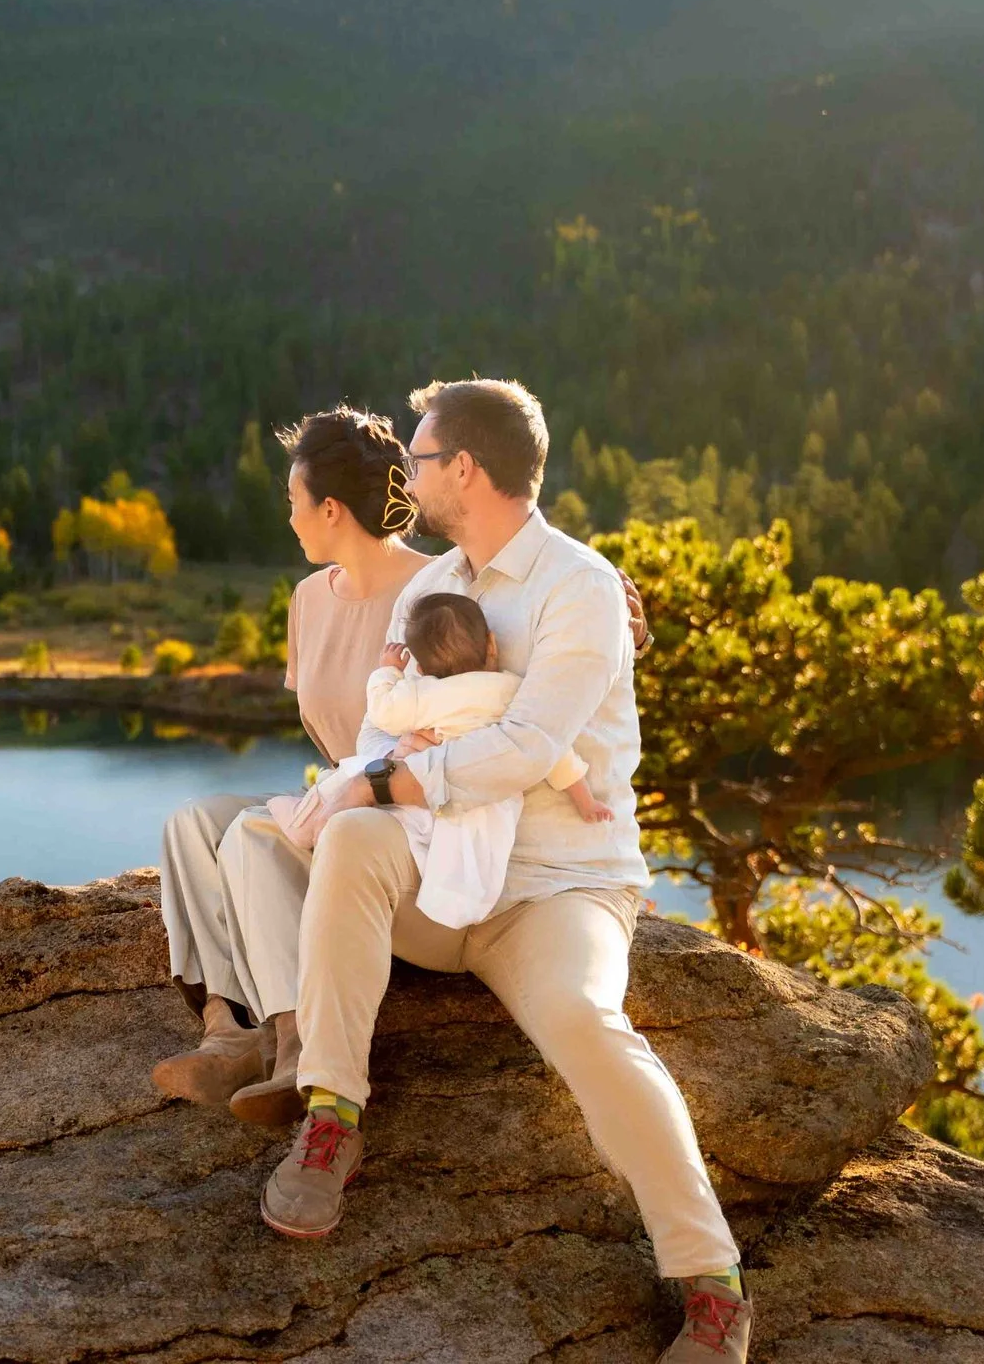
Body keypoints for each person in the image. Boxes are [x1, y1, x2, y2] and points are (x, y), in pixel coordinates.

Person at [260, 378, 751, 1364]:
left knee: (581, 1018)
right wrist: (367, 785)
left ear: (466, 470)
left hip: (556, 885)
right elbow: (376, 723)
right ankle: (330, 1117)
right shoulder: (427, 585)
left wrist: (391, 779)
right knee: (352, 839)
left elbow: (528, 746)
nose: (409, 471)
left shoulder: (578, 588)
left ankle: (713, 1284)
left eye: (422, 456)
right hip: (442, 878)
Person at [152, 407, 650, 1126]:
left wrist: (631, 634)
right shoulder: (306, 599)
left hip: (407, 801)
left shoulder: (438, 589)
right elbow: (340, 735)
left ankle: (295, 1043)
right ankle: (229, 1026)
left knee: (248, 837)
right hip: (353, 779)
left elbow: (510, 699)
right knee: (193, 824)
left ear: (329, 507)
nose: (287, 519)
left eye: (293, 503)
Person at [275, 592, 610, 930]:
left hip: (418, 783)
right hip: (486, 800)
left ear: (420, 668)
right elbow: (551, 749)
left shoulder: (426, 694)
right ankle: (441, 912)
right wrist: (586, 800)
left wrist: (386, 671)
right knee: (460, 859)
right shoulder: (515, 692)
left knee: (346, 781)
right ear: (491, 645)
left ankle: (307, 824)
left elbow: (384, 712)